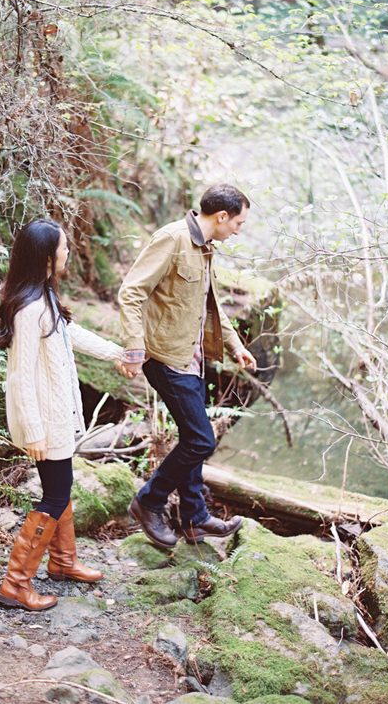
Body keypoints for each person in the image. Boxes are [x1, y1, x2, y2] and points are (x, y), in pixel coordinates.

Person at [119, 183, 256, 549]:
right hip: (165, 358)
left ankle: (194, 518)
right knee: (200, 440)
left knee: (192, 437)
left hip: (193, 357)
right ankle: (148, 501)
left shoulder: (205, 247)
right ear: (222, 216)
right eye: (238, 223)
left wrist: (235, 345)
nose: (238, 230)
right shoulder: (173, 239)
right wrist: (134, 349)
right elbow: (131, 292)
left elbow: (206, 306)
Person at [0, 218, 123, 611]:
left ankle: (64, 562)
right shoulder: (29, 308)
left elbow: (72, 334)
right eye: (65, 247)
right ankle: (16, 586)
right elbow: (20, 377)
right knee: (53, 497)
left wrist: (117, 353)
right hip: (44, 423)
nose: (69, 251)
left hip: (55, 418)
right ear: (48, 257)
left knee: (60, 490)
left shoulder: (45, 298)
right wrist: (33, 431)